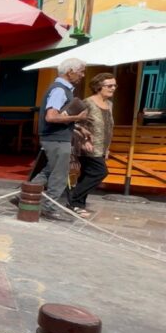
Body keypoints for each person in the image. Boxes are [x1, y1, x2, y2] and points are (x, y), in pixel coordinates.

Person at [31, 58, 88, 220]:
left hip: (55, 137)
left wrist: (77, 127)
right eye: (81, 71)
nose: (82, 75)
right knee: (59, 175)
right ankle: (49, 208)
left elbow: (57, 117)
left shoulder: (61, 89)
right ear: (70, 72)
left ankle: (25, 195)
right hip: (56, 139)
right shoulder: (60, 90)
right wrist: (77, 118)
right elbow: (51, 117)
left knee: (50, 170)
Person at [69, 72, 116, 218]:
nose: (113, 88)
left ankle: (77, 205)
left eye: (115, 85)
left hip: (102, 146)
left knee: (87, 174)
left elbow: (108, 127)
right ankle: (73, 198)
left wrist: (107, 148)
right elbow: (73, 122)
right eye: (109, 85)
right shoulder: (87, 102)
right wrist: (84, 140)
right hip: (87, 145)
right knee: (100, 172)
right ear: (98, 86)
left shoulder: (109, 104)